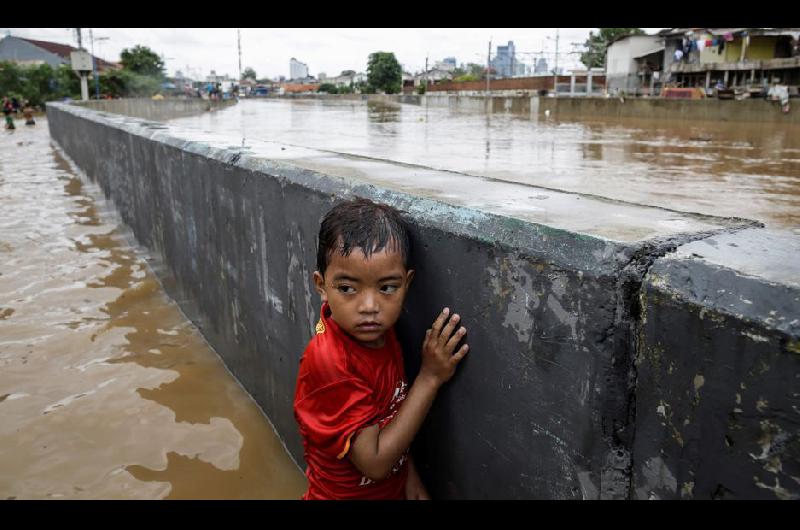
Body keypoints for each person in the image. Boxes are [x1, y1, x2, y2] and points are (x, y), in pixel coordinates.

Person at [293, 197, 470, 500]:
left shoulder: (382, 335)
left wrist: (409, 478)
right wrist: (429, 377)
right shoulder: (332, 362)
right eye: (347, 288)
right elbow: (374, 463)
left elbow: (389, 412)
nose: (370, 307)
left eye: (387, 287)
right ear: (321, 286)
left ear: (407, 282)